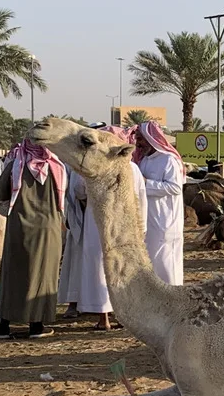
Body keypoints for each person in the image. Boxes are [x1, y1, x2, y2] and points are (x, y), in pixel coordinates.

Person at [0, 138, 66, 339]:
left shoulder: (17, 164)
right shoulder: (57, 166)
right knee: (42, 275)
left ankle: (4, 325)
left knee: (13, 274)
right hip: (48, 229)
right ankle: (36, 325)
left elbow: (2, 190)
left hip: (20, 227)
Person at [78, 126, 147, 329]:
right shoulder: (133, 168)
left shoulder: (92, 167)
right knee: (121, 267)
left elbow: (78, 191)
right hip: (124, 225)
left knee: (100, 265)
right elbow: (141, 198)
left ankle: (103, 318)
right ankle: (122, 316)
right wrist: (141, 226)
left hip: (97, 222)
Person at [132, 121, 184, 285]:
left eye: (141, 139)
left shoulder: (169, 159)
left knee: (167, 264)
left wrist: (146, 184)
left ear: (151, 138)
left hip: (165, 221)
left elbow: (175, 187)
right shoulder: (144, 160)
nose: (138, 143)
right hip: (147, 220)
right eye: (137, 139)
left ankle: (174, 302)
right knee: (151, 263)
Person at [57, 165, 85, 320]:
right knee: (75, 260)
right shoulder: (71, 164)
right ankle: (73, 303)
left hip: (103, 219)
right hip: (77, 215)